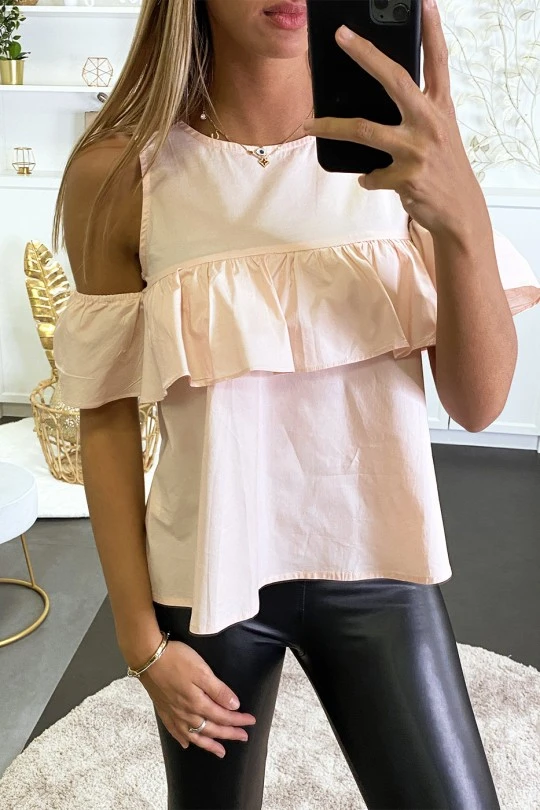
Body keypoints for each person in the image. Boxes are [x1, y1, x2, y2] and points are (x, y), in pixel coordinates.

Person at [52, 0, 540, 807]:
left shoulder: (404, 153)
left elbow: (480, 403)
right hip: (207, 578)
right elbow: (103, 418)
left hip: (381, 564)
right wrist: (141, 643)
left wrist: (460, 217)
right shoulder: (121, 173)